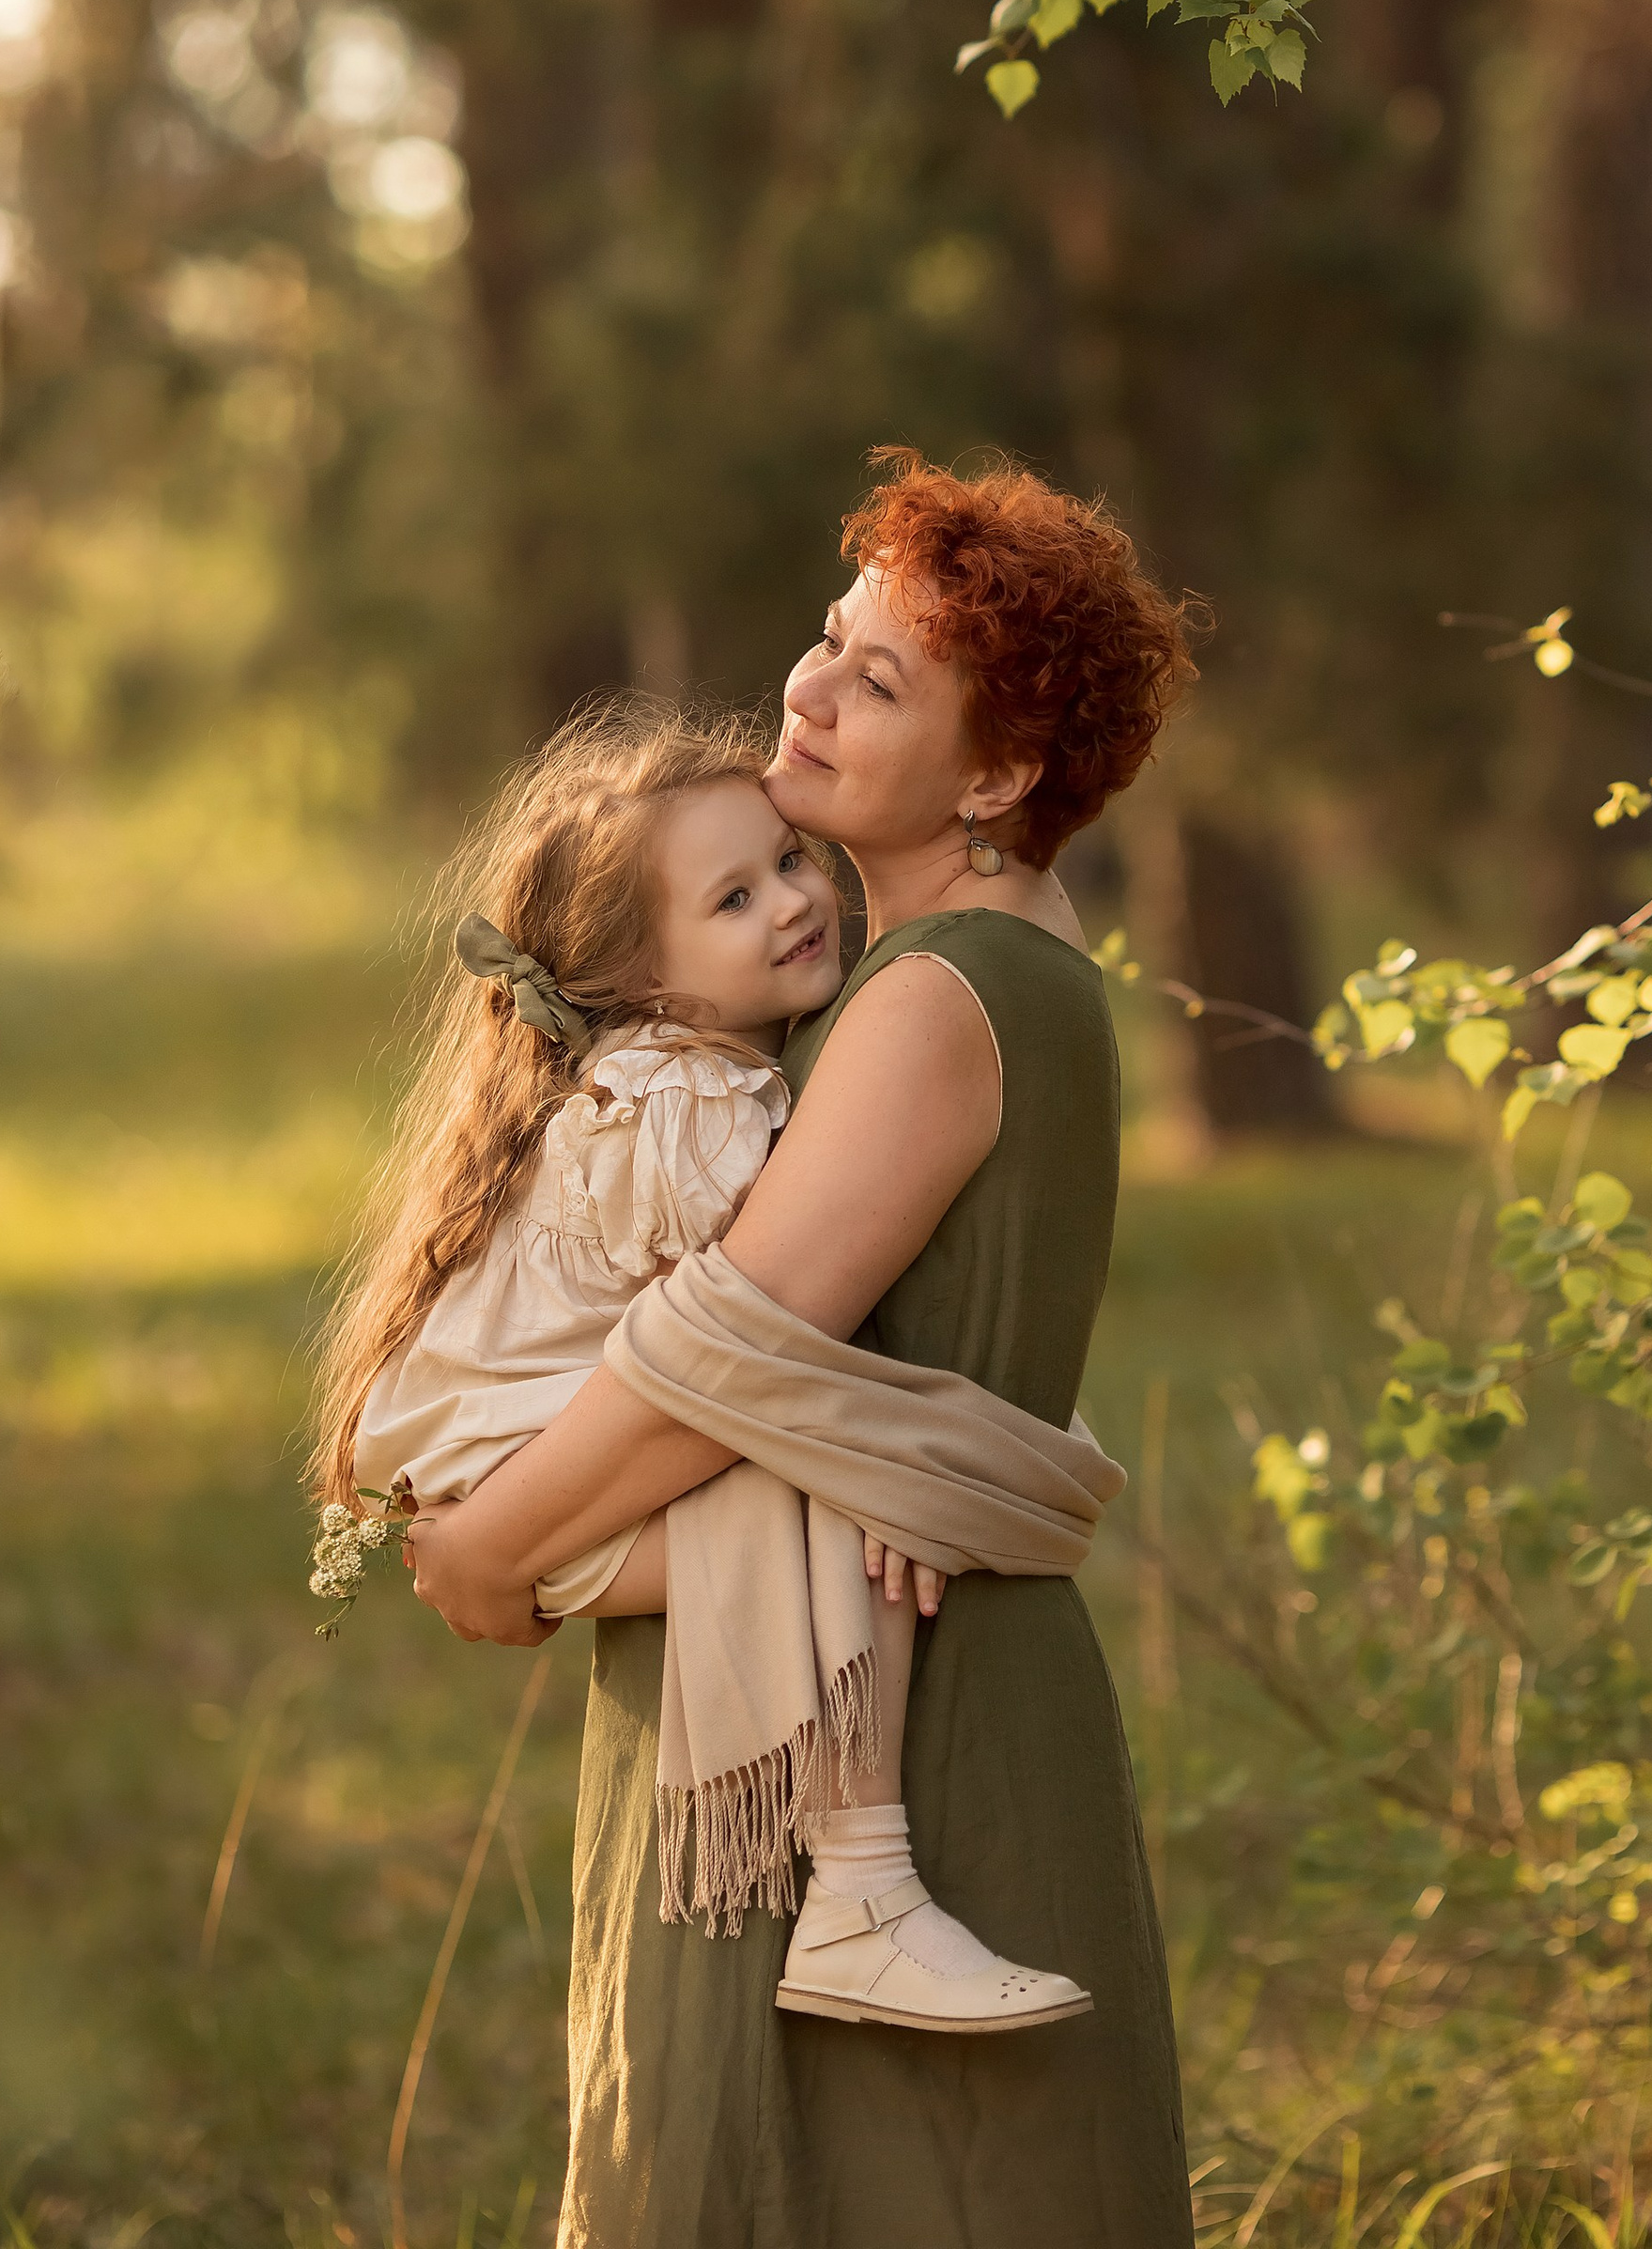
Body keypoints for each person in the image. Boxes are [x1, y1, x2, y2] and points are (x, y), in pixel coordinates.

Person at [409, 449, 1201, 2249]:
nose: (813, 689)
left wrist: (488, 1545)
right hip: (827, 1668)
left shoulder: (936, 999)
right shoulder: (929, 968)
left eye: (882, 681)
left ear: (998, 775)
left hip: (895, 1731)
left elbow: (722, 1354)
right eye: (828, 640)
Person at [307, 700, 1088, 2031]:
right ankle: (861, 1898)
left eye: (787, 863)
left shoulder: (691, 1069)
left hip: (512, 1461)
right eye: (733, 899)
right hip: (520, 1478)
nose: (794, 902)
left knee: (847, 1506)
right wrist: (899, 1466)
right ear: (651, 987)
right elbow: (755, 1351)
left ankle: (852, 1896)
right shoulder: (688, 1103)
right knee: (848, 1521)